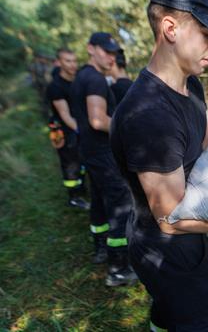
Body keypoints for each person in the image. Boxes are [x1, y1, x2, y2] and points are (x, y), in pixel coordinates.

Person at [110, 0, 208, 330]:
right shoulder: (151, 115)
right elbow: (170, 218)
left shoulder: (191, 87)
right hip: (167, 248)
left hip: (188, 232)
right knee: (196, 320)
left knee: (168, 315)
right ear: (171, 27)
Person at [70, 32, 136, 286]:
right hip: (101, 152)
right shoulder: (96, 79)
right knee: (121, 204)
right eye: (105, 51)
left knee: (98, 200)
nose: (110, 56)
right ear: (90, 49)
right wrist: (125, 130)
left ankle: (100, 248)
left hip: (88, 150)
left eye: (113, 52)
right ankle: (118, 268)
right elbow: (98, 119)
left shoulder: (82, 76)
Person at [46, 48, 89, 210]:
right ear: (59, 62)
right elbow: (65, 116)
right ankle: (74, 197)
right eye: (68, 61)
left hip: (78, 127)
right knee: (71, 164)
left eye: (74, 61)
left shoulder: (78, 80)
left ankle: (82, 189)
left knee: (82, 161)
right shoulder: (55, 87)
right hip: (65, 130)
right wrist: (85, 132)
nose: (73, 65)